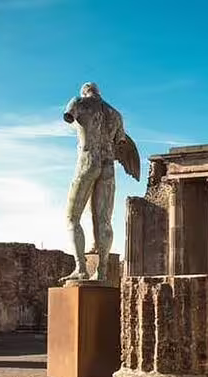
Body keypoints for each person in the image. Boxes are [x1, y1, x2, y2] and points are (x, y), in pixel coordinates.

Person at [61, 82, 137, 283]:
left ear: (84, 91)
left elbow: (69, 116)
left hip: (87, 162)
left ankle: (81, 268)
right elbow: (121, 141)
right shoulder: (116, 114)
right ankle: (102, 271)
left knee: (72, 217)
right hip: (108, 167)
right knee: (103, 220)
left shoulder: (78, 102)